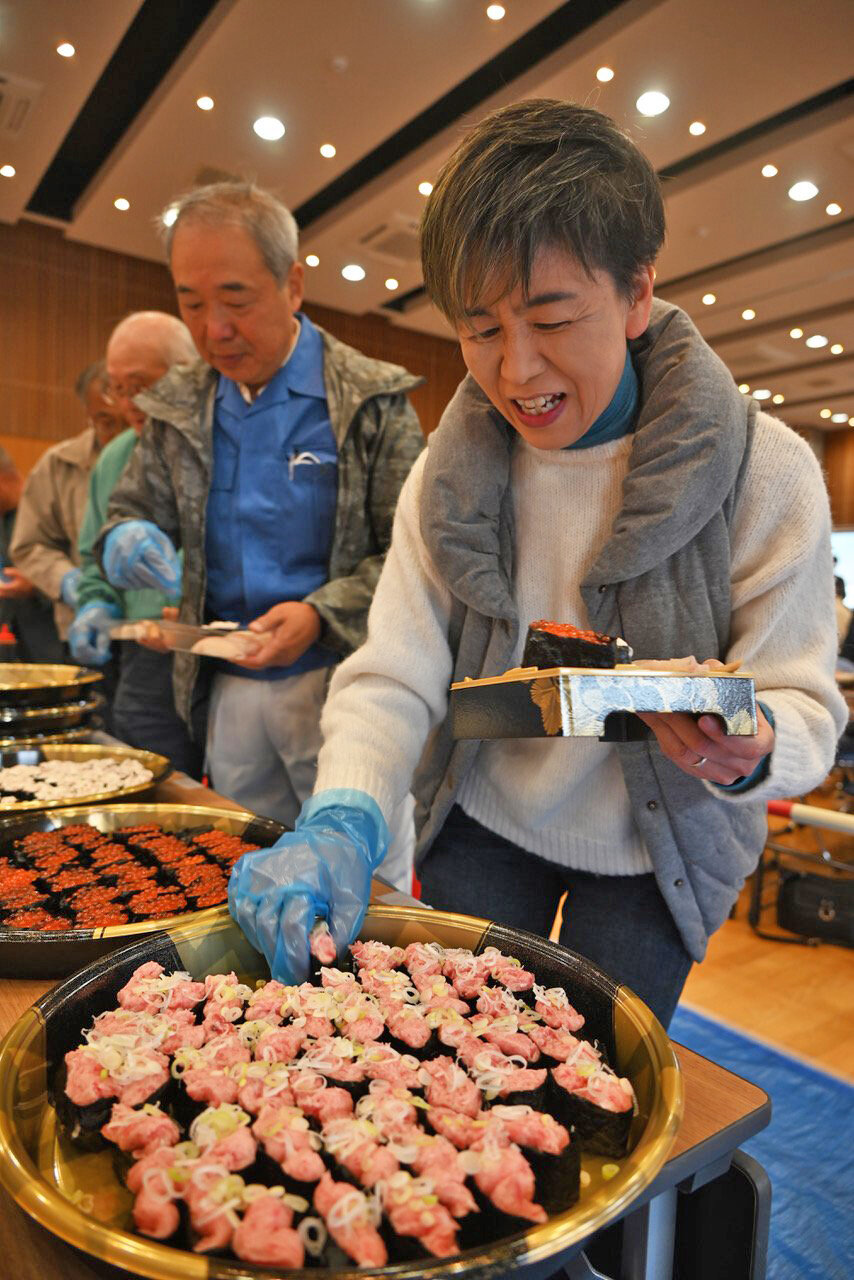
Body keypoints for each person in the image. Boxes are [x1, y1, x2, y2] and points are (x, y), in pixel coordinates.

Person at [228, 100, 847, 1028]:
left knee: (591, 1088)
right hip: (485, 819)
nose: (517, 372)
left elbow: (807, 711)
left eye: (552, 318)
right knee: (444, 1054)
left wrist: (753, 740)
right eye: (480, 329)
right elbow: (396, 670)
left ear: (638, 293)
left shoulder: (765, 470)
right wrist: (344, 815)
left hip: (657, 852)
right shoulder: (455, 467)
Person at [95, 183, 424, 858]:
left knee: (363, 869)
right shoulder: (179, 406)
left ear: (293, 284)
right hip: (227, 683)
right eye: (192, 302)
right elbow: (130, 510)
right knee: (244, 856)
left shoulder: (368, 402)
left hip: (343, 685)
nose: (214, 327)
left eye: (236, 299)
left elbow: (412, 556)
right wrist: (126, 538)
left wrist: (320, 613)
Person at [69, 312, 207, 774]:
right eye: (117, 389)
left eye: (140, 385)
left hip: (219, 654)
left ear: (190, 371)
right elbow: (95, 559)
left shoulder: (219, 442)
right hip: (146, 658)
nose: (129, 402)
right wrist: (96, 603)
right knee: (149, 780)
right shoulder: (115, 458)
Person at [10, 361, 125, 644]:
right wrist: (70, 581)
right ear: (87, 413)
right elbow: (29, 545)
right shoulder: (58, 465)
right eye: (106, 422)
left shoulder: (163, 458)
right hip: (83, 626)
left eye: (129, 422)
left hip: (153, 630)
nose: (121, 437)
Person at [0, 446, 65, 663]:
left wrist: (36, 586)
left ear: (5, 479)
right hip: (15, 647)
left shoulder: (53, 511)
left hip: (58, 642)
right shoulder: (3, 518)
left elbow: (82, 573)